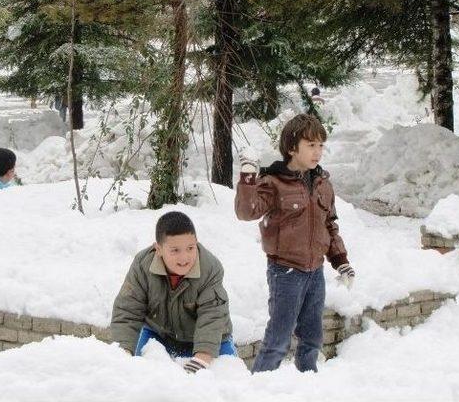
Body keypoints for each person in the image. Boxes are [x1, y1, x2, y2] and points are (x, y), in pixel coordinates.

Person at [235, 114, 355, 373]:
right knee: (278, 341)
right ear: (292, 148)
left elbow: (329, 225)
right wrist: (247, 178)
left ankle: (307, 385)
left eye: (321, 145)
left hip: (315, 273)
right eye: (311, 145)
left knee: (312, 339)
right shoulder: (274, 182)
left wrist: (341, 261)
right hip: (286, 272)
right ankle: (259, 388)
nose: (318, 152)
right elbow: (247, 212)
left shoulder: (323, 183)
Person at [111, 211, 236, 373]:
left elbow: (212, 316)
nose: (184, 258)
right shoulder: (143, 265)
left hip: (213, 338)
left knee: (229, 383)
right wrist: (123, 354)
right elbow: (127, 310)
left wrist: (201, 359)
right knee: (139, 377)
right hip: (159, 334)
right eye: (175, 250)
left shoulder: (210, 268)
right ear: (159, 249)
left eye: (190, 248)